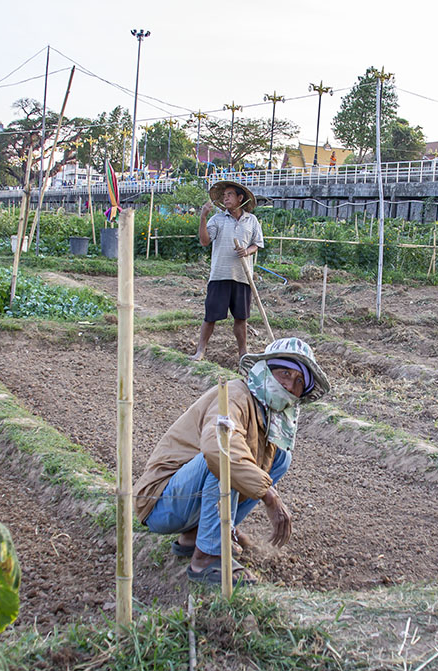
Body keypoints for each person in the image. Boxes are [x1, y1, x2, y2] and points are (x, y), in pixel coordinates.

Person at [134, 337, 330, 586]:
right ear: (266, 370)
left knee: (280, 457)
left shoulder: (268, 412)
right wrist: (269, 495)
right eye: (284, 373)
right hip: (161, 503)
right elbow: (218, 449)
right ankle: (207, 556)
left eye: (299, 381)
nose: (289, 385)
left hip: (184, 500)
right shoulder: (236, 394)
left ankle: (200, 536)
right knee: (223, 453)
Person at [191, 181, 265, 361]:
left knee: (241, 318)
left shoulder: (251, 220)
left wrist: (246, 251)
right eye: (224, 195)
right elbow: (204, 241)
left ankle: (243, 352)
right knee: (211, 316)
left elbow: (257, 244)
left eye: (230, 194)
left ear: (240, 198)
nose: (225, 197)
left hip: (242, 276)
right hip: (220, 274)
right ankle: (201, 350)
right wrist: (202, 218)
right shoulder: (217, 219)